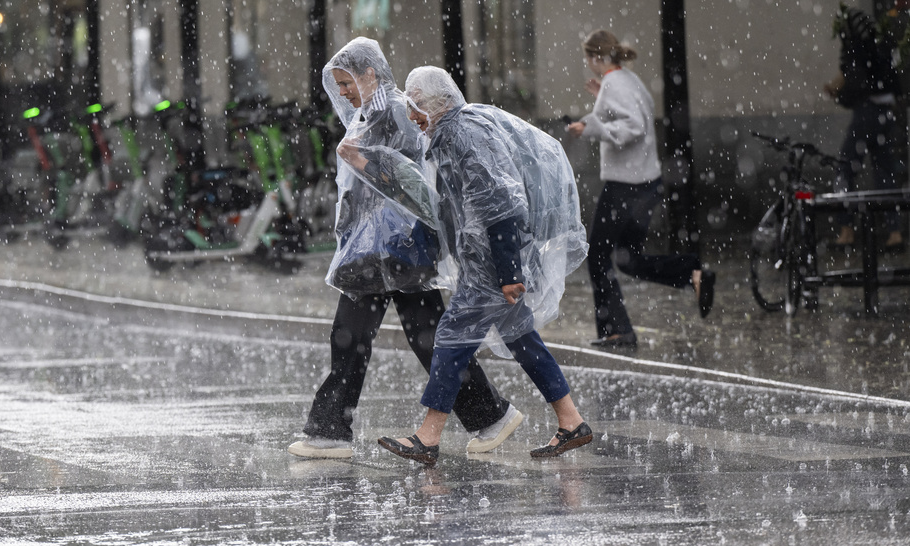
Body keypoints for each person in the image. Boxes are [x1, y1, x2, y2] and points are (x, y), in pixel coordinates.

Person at [287, 38, 523, 460]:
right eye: (338, 84)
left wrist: (363, 162)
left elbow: (417, 182)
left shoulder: (398, 112)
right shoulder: (368, 114)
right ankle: (489, 415)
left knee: (403, 338)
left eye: (346, 82)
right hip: (372, 249)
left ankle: (331, 431)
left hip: (400, 247)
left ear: (370, 75)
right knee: (370, 337)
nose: (341, 92)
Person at [377, 66, 591, 466]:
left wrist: (509, 272)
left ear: (440, 103)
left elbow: (501, 202)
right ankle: (571, 421)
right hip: (485, 264)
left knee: (451, 337)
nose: (411, 114)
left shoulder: (462, 134)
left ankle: (428, 436)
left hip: (493, 268)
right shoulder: (446, 136)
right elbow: (449, 206)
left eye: (417, 105)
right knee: (522, 338)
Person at [566, 29, 715, 349]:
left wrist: (589, 125)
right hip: (646, 183)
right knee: (628, 258)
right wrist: (601, 102)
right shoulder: (626, 80)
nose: (587, 62)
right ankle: (691, 273)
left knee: (598, 256)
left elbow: (633, 127)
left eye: (587, 56)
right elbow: (636, 114)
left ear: (595, 57)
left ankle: (618, 330)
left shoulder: (616, 84)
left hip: (625, 185)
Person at [824, 5, 904, 253]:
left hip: (869, 112)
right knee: (885, 172)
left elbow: (853, 78)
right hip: (887, 111)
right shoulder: (880, 44)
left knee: (844, 168)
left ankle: (846, 231)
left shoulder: (857, 47)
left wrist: (838, 92)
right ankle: (895, 234)